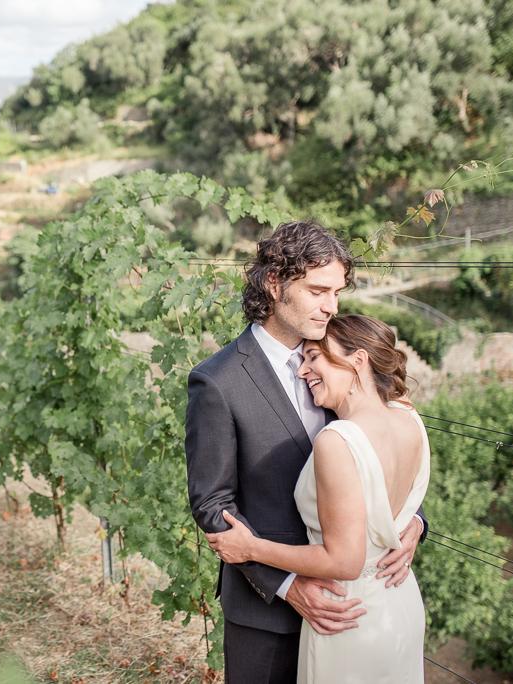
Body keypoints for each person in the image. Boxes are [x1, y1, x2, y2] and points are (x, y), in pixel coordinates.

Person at [184, 220, 426, 683]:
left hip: (356, 605)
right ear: (275, 284)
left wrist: (413, 522)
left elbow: (387, 449)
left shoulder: (342, 361)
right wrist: (288, 585)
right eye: (318, 291)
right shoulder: (218, 381)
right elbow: (213, 506)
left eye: (337, 293)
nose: (331, 307)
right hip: (267, 613)